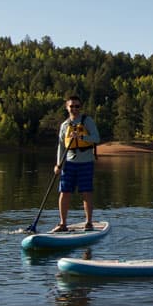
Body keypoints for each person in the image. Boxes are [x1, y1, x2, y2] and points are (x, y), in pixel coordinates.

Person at [52, 95, 101, 232]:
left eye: (77, 106)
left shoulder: (87, 121)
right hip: (69, 164)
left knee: (86, 192)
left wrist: (81, 136)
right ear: (67, 108)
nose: (74, 108)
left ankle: (89, 222)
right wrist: (58, 164)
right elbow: (61, 146)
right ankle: (63, 224)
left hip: (86, 162)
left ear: (80, 107)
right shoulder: (64, 125)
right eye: (71, 106)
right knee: (64, 192)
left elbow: (96, 138)